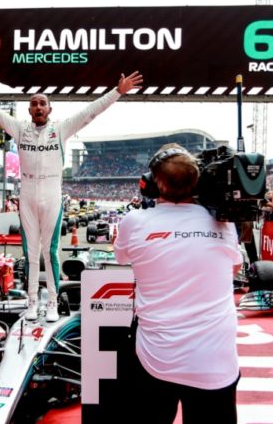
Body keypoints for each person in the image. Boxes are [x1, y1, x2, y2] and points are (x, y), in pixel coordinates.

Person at [0, 67, 143, 322]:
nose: (38, 107)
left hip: (51, 192)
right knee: (30, 252)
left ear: (49, 110)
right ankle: (30, 301)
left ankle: (51, 301)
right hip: (27, 193)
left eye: (42, 104)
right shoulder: (19, 129)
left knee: (50, 251)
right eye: (34, 104)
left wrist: (118, 91)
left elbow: (91, 112)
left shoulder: (61, 129)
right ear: (29, 110)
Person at [113, 143, 242, 423]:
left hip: (156, 358)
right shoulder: (224, 223)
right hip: (215, 361)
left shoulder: (134, 221)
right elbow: (234, 268)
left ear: (151, 184)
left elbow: (121, 257)